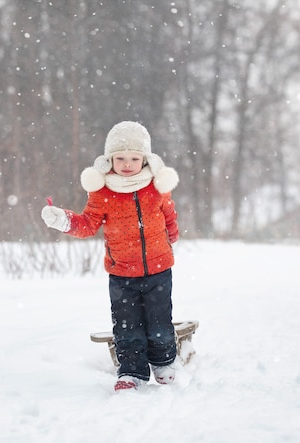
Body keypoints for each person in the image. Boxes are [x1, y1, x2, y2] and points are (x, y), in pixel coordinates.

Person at [41, 121, 180, 391]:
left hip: (159, 268)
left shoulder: (156, 187)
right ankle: (131, 371)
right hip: (121, 273)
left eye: (134, 158)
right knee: (127, 326)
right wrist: (63, 220)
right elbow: (88, 224)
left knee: (159, 320)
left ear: (145, 159)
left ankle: (163, 362)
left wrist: (171, 235)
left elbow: (169, 214)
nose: (127, 164)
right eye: (120, 158)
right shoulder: (103, 192)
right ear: (109, 160)